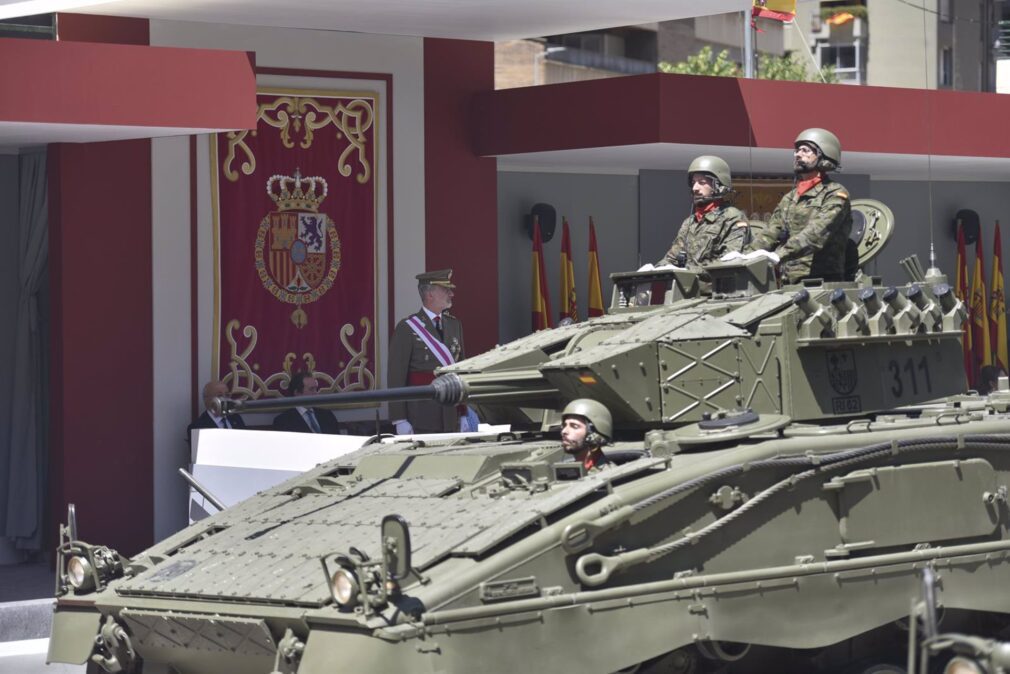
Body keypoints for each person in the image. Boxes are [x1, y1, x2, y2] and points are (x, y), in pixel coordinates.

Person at [750, 128, 853, 284]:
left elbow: (816, 233)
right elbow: (771, 232)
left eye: (805, 150)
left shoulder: (835, 194)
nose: (798, 154)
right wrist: (747, 255)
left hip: (822, 282)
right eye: (797, 151)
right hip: (789, 282)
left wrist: (780, 254)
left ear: (823, 155)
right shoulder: (790, 198)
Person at [388, 269, 467, 434]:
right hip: (421, 415)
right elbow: (396, 377)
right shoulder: (407, 328)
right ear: (430, 294)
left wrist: (463, 413)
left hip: (451, 413)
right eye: (446, 290)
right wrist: (399, 419)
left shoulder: (454, 325)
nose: (451, 294)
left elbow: (461, 372)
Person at [658, 155, 749, 268]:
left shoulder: (733, 218)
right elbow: (672, 258)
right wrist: (655, 270)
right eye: (693, 182)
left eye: (701, 182)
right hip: (688, 284)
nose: (695, 188)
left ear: (718, 186)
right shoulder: (690, 222)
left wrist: (689, 271)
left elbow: (728, 263)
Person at [272, 371, 342, 434]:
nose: (316, 393)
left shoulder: (327, 416)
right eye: (311, 389)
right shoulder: (283, 422)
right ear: (297, 393)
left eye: (316, 389)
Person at [559, 399, 613, 471]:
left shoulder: (608, 474)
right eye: (564, 425)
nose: (564, 431)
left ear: (593, 434)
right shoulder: (569, 471)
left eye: (574, 426)